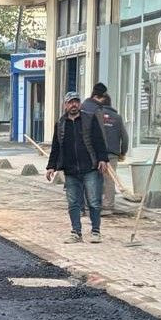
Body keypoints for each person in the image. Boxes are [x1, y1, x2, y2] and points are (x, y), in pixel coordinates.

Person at [46, 92, 109, 244]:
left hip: (90, 168)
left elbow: (99, 139)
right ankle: (76, 232)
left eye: (76, 102)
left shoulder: (89, 119)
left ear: (79, 104)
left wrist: (102, 159)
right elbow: (56, 146)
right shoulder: (61, 123)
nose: (73, 105)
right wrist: (51, 166)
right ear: (65, 105)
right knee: (73, 203)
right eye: (70, 102)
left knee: (93, 201)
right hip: (70, 169)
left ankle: (95, 231)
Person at [95, 93, 129, 212]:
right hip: (112, 153)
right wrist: (122, 152)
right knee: (110, 179)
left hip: (96, 153)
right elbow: (125, 137)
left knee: (95, 177)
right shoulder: (117, 117)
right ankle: (108, 205)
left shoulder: (94, 115)